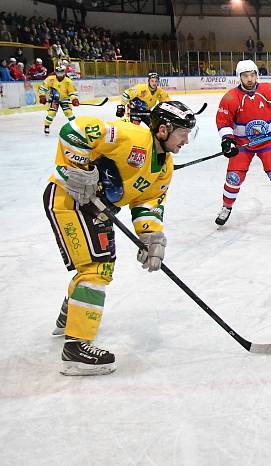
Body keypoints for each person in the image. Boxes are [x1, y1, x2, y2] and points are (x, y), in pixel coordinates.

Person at [44, 101, 197, 376]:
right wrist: (80, 169)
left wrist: (151, 236)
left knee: (98, 266)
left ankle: (70, 317)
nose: (186, 140)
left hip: (97, 209)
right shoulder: (132, 137)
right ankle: (75, 349)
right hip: (69, 200)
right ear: (163, 130)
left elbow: (148, 203)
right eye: (183, 133)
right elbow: (75, 130)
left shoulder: (165, 168)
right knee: (96, 268)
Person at [215, 59, 271, 227]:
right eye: (245, 76)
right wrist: (227, 140)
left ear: (257, 75)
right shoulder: (231, 97)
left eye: (252, 75)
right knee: (233, 178)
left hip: (268, 140)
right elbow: (223, 121)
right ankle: (226, 207)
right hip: (242, 144)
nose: (250, 79)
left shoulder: (268, 90)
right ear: (239, 77)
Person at [38, 65, 78, 135]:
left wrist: (74, 99)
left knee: (68, 112)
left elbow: (72, 92)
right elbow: (42, 88)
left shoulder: (68, 81)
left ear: (64, 72)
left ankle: (74, 127)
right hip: (54, 99)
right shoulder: (50, 79)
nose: (59, 74)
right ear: (55, 72)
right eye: (58, 72)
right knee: (51, 113)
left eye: (61, 72)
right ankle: (46, 126)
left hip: (65, 98)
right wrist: (42, 96)